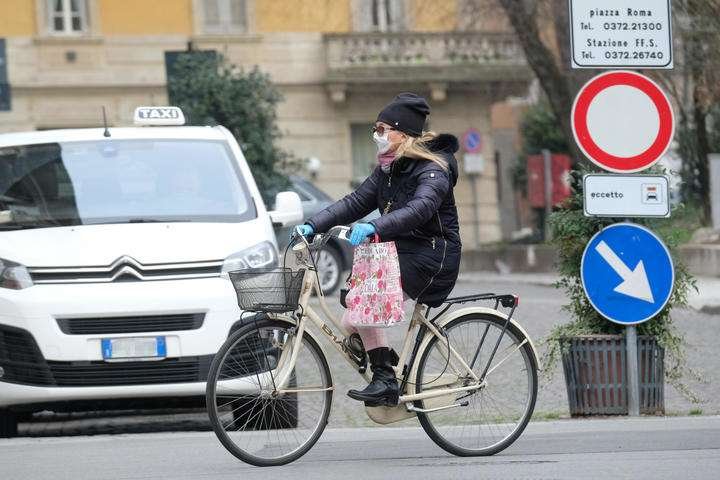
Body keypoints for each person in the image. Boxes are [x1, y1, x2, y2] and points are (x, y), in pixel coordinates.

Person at [295, 92, 462, 406]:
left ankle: (385, 380)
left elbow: (420, 208)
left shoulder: (432, 170)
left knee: (366, 306)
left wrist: (375, 226)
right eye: (376, 129)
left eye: (384, 129)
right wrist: (313, 224)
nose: (378, 136)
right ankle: (389, 368)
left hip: (433, 255)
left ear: (403, 132)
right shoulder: (389, 170)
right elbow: (355, 202)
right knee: (350, 320)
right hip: (400, 252)